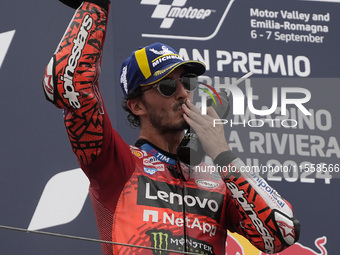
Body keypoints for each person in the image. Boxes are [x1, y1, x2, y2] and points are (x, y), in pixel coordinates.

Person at [42, 0, 300, 254]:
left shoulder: (217, 179)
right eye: (166, 87)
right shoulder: (117, 164)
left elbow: (281, 234)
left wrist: (222, 154)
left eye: (187, 83)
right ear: (137, 106)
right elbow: (71, 88)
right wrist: (95, 5)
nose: (182, 94)